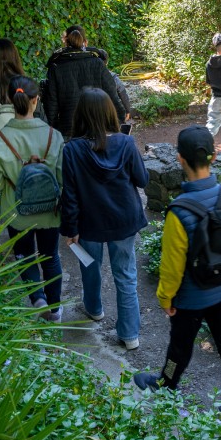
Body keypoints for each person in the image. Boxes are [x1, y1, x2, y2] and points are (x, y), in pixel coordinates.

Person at [133, 127, 221, 428]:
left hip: (191, 296)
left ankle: (166, 386)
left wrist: (165, 298)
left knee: (180, 345)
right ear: (214, 156)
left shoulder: (179, 211)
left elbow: (172, 265)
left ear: (179, 159)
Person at [60, 87, 149, 348]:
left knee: (90, 266)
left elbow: (71, 195)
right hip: (124, 220)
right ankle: (130, 335)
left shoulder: (72, 150)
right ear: (110, 112)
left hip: (90, 223)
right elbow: (142, 179)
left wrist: (70, 228)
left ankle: (94, 308)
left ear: (81, 116)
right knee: (126, 275)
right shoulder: (126, 143)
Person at [0, 76, 65, 321]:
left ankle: (37, 297)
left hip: (16, 211)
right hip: (50, 211)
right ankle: (55, 308)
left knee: (25, 255)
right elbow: (62, 177)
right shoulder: (54, 136)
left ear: (10, 100)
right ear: (35, 100)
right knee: (51, 256)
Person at [44, 26, 128, 136]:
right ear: (85, 42)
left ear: (65, 42)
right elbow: (111, 93)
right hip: (98, 127)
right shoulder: (97, 63)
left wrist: (53, 128)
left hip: (69, 129)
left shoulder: (55, 67)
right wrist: (121, 117)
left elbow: (51, 103)